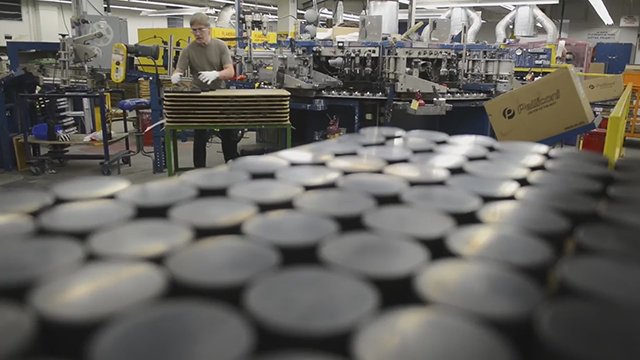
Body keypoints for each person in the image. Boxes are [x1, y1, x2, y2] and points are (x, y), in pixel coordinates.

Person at [171, 13, 239, 166]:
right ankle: (199, 167)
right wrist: (176, 75)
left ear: (209, 29)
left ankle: (231, 163)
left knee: (227, 131)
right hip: (199, 95)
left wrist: (216, 74)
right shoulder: (188, 50)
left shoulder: (220, 46)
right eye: (193, 30)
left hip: (220, 94)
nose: (197, 33)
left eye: (200, 29)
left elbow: (230, 72)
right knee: (200, 134)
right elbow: (179, 70)